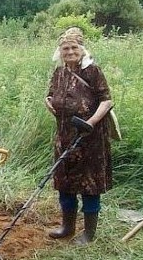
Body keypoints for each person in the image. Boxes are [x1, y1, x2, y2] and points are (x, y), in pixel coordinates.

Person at [44, 27, 113, 245]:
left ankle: (88, 234)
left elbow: (107, 101)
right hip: (64, 138)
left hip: (90, 139)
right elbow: (51, 94)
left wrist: (90, 122)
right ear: (60, 51)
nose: (70, 52)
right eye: (65, 48)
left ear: (82, 49)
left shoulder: (92, 71)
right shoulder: (59, 72)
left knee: (89, 186)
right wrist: (48, 100)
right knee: (64, 183)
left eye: (74, 47)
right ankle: (67, 227)